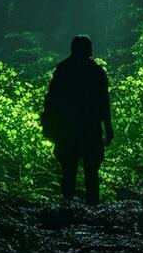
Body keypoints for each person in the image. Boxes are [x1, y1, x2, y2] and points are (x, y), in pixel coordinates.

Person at [42, 35, 114, 206]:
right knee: (91, 174)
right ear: (89, 50)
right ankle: (93, 211)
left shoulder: (63, 68)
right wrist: (108, 128)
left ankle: (67, 210)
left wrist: (49, 127)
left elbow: (51, 100)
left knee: (68, 172)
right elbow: (104, 102)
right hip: (90, 130)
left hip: (67, 130)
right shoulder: (96, 71)